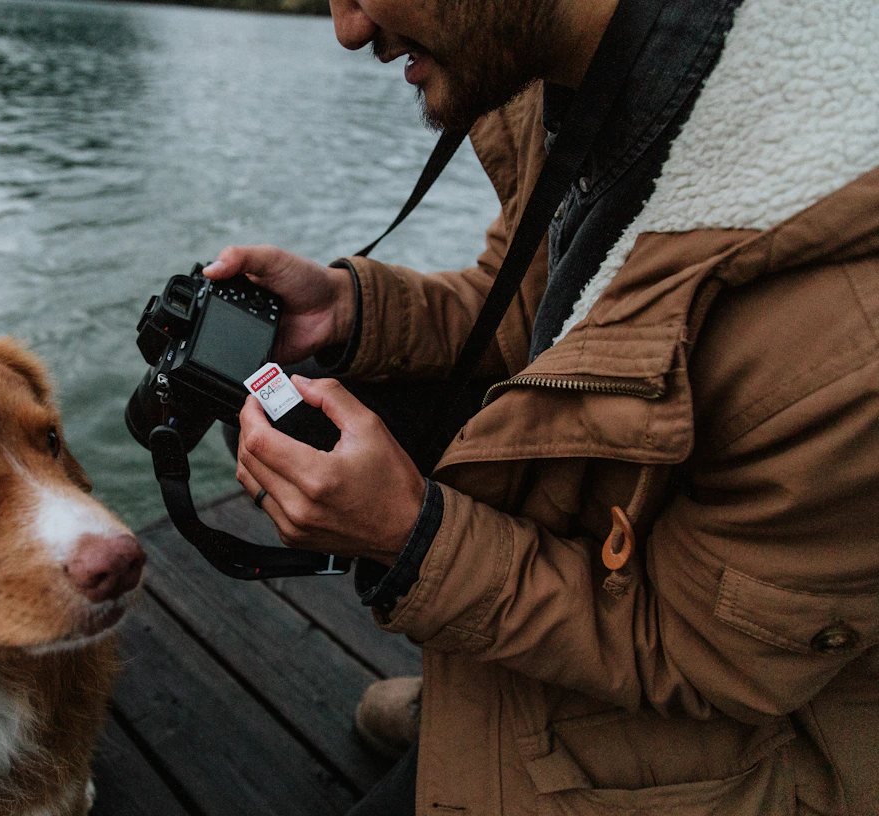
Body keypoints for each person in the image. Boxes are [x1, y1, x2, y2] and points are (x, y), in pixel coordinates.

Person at [203, 0, 879, 813]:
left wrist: (412, 538)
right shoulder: (563, 69)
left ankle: (480, 719)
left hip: (749, 741)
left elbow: (704, 654)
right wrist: (351, 309)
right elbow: (549, 311)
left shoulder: (849, 334)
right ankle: (465, 702)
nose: (346, 29)